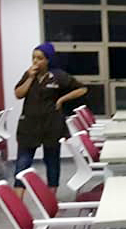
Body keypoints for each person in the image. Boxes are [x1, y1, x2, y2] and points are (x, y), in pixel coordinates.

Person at [13, 42, 88, 198]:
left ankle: (51, 197)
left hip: (51, 125)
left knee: (52, 161)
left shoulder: (58, 76)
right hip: (29, 126)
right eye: (33, 58)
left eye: (39, 58)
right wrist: (30, 77)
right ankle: (18, 201)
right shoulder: (28, 75)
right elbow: (18, 94)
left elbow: (82, 88)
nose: (35, 61)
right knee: (22, 163)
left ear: (48, 60)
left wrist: (62, 99)